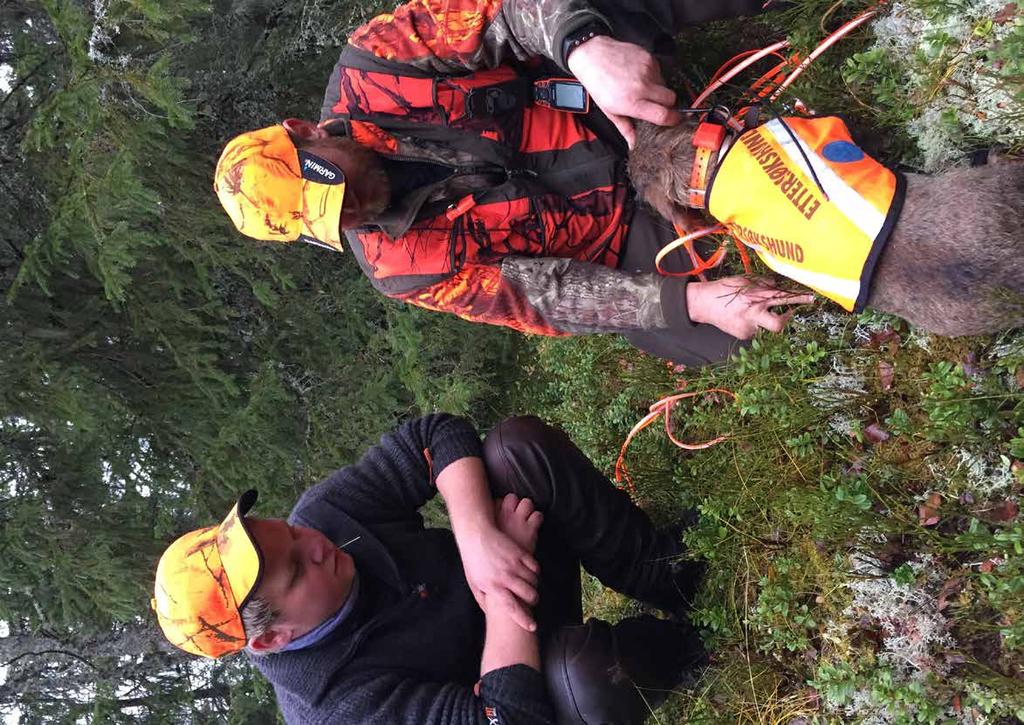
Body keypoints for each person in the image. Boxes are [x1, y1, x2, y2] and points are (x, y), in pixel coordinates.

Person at [212, 0, 813, 367]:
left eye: (333, 184)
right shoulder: (403, 270)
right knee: (724, 330)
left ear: (304, 131)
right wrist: (692, 303)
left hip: (595, 91)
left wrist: (584, 49)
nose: (353, 208)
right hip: (616, 230)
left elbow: (502, 10)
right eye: (333, 218)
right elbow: (542, 299)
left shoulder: (377, 66)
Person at [152, 414, 707, 724]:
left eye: (292, 533)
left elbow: (431, 434)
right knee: (583, 677)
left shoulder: (323, 516)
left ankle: (676, 579)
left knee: (515, 450)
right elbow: (506, 719)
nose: (315, 542)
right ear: (273, 639)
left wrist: (478, 536)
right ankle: (692, 649)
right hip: (526, 691)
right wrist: (498, 596)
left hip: (517, 567)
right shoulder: (334, 706)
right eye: (298, 568)